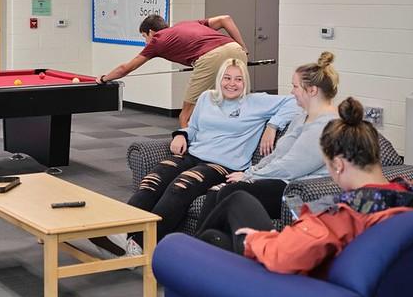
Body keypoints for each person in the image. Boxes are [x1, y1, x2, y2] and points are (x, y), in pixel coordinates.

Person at [136, 96, 413, 297]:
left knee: (213, 235)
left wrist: (254, 242)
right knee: (229, 213)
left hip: (295, 291)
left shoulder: (345, 215)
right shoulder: (410, 198)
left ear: (337, 165)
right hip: (353, 296)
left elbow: (285, 256)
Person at [89, 58, 300, 261]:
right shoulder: (207, 98)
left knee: (180, 187)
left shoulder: (256, 102)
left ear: (246, 82)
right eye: (227, 78)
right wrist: (182, 134)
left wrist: (273, 126)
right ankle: (120, 230)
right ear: (219, 79)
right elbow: (194, 127)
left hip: (222, 165)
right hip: (193, 154)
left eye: (238, 79)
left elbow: (295, 102)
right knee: (152, 179)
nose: (232, 84)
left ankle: (140, 246)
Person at [195, 52, 340, 227]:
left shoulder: (327, 126)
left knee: (232, 193)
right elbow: (277, 155)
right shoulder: (302, 117)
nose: (291, 92)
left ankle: (206, 247)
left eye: (295, 87)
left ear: (312, 90)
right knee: (216, 192)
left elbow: (290, 167)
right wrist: (251, 172)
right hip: (283, 182)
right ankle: (206, 246)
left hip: (302, 195)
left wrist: (250, 176)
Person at [96, 14, 249, 127]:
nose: (146, 42)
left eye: (144, 36)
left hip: (210, 59)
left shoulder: (157, 41)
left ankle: (189, 153)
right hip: (236, 50)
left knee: (186, 116)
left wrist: (104, 78)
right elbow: (225, 19)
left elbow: (126, 68)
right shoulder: (186, 24)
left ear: (151, 32)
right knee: (230, 104)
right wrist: (242, 47)